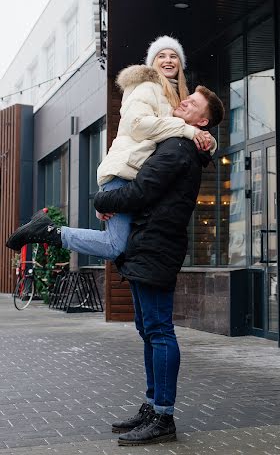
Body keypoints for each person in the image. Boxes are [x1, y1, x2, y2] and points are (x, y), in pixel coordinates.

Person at [93, 85, 224, 446]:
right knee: (148, 329)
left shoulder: (179, 148)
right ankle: (153, 406)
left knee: (159, 331)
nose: (184, 102)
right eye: (187, 97)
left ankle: (164, 416)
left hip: (157, 246)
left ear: (203, 121)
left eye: (193, 103)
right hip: (148, 245)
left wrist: (102, 198)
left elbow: (142, 192)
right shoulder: (177, 141)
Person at [6, 36, 214, 256]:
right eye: (161, 56)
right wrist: (189, 131)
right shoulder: (147, 87)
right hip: (123, 172)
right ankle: (48, 231)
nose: (168, 60)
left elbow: (184, 131)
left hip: (135, 178)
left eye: (174, 56)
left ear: (181, 64)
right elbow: (138, 125)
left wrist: (207, 141)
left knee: (132, 246)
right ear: (151, 63)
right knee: (117, 246)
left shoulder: (173, 97)